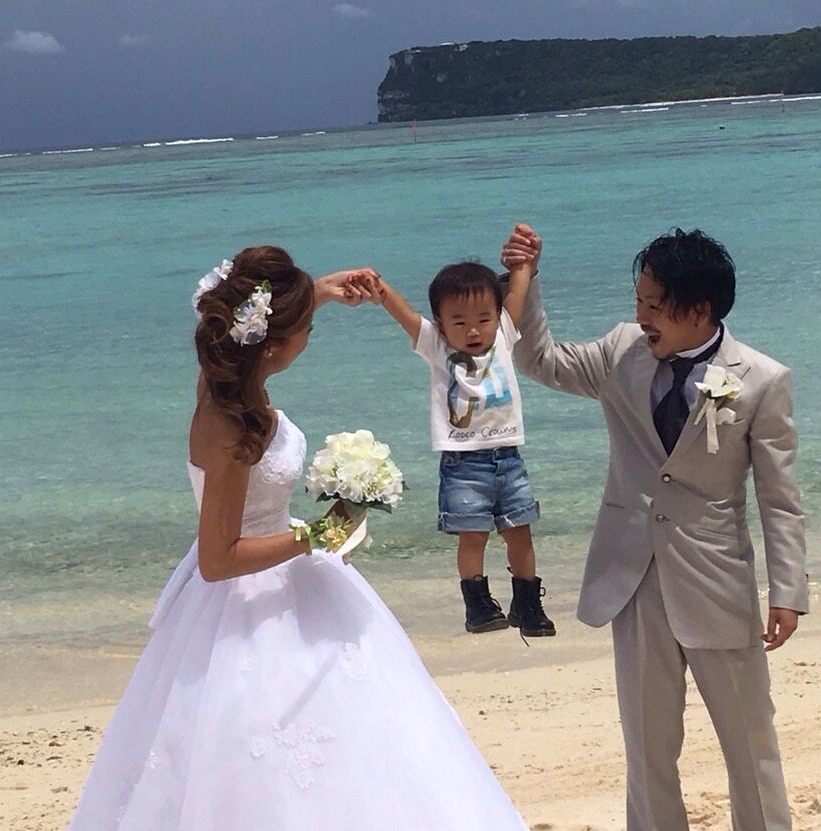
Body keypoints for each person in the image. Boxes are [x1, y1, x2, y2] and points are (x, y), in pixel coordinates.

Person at [68, 246, 530, 831]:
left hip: (290, 578)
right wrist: (320, 532)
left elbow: (255, 324)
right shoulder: (233, 425)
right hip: (243, 599)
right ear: (271, 344)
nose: (310, 335)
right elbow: (217, 560)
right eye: (306, 328)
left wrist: (323, 291)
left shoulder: (223, 383)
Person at [502, 224, 809, 831]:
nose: (641, 316)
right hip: (634, 580)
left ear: (700, 311)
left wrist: (788, 590)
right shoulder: (621, 351)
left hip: (716, 581)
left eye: (654, 305)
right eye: (638, 300)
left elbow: (779, 497)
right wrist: (525, 279)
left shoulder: (762, 379)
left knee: (750, 744)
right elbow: (538, 360)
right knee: (647, 749)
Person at [350, 256, 555, 637]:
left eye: (483, 319)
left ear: (497, 316)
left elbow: (518, 292)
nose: (473, 330)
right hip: (463, 465)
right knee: (472, 535)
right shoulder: (436, 347)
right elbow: (406, 315)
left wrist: (524, 264)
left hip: (509, 459)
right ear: (441, 323)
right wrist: (380, 289)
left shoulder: (505, 335)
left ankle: (528, 604)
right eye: (459, 322)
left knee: (520, 531)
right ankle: (478, 606)